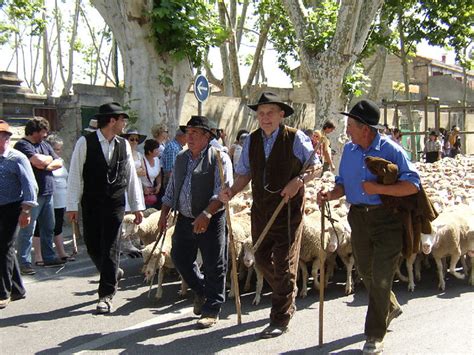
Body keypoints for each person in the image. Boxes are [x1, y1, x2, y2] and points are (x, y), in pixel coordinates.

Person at [317, 99, 420, 354]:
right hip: (358, 218)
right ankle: (391, 305)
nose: (347, 129)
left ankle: (374, 335)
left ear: (365, 128)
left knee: (382, 274)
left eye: (350, 125)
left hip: (387, 219)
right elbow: (342, 183)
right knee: (366, 272)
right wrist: (331, 194)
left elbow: (413, 184)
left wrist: (379, 189)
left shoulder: (392, 150)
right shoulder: (349, 152)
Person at [219, 92, 319, 338]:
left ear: (281, 114)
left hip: (287, 211)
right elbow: (245, 174)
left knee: (283, 265)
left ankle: (280, 317)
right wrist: (231, 191)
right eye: (261, 113)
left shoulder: (295, 138)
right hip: (261, 211)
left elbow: (317, 166)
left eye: (270, 113)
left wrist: (299, 180)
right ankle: (287, 292)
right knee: (261, 259)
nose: (265, 118)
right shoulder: (251, 141)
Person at [66, 102, 145, 314]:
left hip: (115, 203)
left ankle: (105, 295)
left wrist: (137, 207)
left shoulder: (123, 144)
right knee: (92, 244)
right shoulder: (85, 142)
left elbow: (130, 178)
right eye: (122, 120)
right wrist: (72, 205)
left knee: (111, 245)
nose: (124, 124)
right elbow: (75, 175)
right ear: (112, 120)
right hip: (91, 202)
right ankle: (111, 271)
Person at [158, 115, 233, 329]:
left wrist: (207, 215)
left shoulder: (219, 158)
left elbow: (223, 191)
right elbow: (172, 188)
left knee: (213, 264)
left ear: (207, 136)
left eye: (195, 133)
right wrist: (164, 213)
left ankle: (212, 308)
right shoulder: (182, 157)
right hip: (185, 218)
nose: (188, 137)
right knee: (179, 257)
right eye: (187, 132)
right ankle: (201, 291)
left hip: (211, 218)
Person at [14, 117, 65, 275]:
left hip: (48, 193)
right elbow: (36, 161)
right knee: (27, 230)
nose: (45, 135)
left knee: (48, 227)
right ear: (34, 131)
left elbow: (60, 162)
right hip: (32, 195)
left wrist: (46, 163)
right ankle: (24, 262)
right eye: (43, 132)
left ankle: (49, 257)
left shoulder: (44, 145)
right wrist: (48, 162)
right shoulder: (23, 145)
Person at [0, 120, 37, 309]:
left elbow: (30, 186)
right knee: (4, 248)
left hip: (13, 207)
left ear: (7, 138)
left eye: (2, 136)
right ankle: (17, 289)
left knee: (4, 247)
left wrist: (26, 211)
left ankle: (3, 292)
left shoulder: (17, 158)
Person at [32, 134, 73, 265]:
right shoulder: (44, 161)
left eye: (60, 149)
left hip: (61, 198)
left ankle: (61, 253)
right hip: (49, 197)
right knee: (40, 227)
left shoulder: (59, 160)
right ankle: (39, 256)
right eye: (56, 149)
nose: (58, 152)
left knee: (58, 225)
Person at [141, 139, 162, 209]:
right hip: (142, 192)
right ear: (150, 152)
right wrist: (143, 187)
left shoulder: (157, 160)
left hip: (152, 192)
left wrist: (159, 185)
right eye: (156, 150)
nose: (158, 151)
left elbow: (159, 174)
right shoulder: (141, 160)